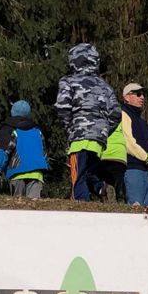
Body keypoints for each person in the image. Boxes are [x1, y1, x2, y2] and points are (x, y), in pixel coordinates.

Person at [55, 43, 121, 202]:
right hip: (99, 140)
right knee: (88, 172)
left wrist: (70, 128)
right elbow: (116, 113)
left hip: (79, 137)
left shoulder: (69, 81)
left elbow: (62, 107)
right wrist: (104, 129)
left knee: (77, 176)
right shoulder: (105, 86)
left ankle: (81, 204)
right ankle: (101, 188)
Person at [119, 83, 148, 206]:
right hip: (133, 169)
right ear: (127, 97)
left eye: (143, 95)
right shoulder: (123, 114)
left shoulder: (142, 121)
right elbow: (128, 143)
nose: (142, 97)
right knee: (136, 211)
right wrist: (147, 158)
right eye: (138, 94)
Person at [0, 100, 48, 199]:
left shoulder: (10, 129)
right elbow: (44, 153)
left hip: (17, 172)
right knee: (34, 210)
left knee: (19, 208)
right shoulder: (37, 131)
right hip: (36, 174)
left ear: (13, 112)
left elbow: (4, 151)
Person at [96, 122, 127, 203]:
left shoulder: (101, 115)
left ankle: (105, 196)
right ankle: (119, 200)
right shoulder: (123, 116)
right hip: (119, 156)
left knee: (104, 183)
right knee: (118, 185)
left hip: (103, 154)